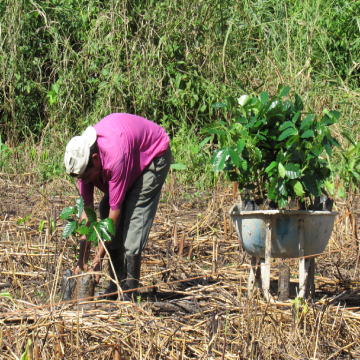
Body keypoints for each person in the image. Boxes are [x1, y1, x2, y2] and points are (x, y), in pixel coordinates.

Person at [64, 113, 171, 300]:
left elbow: (115, 215)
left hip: (153, 157)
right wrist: (82, 260)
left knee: (133, 225)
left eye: (87, 177)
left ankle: (129, 292)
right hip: (131, 157)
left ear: (96, 159)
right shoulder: (85, 166)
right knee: (104, 208)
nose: (86, 181)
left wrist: (98, 258)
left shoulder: (114, 158)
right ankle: (116, 282)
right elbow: (87, 216)